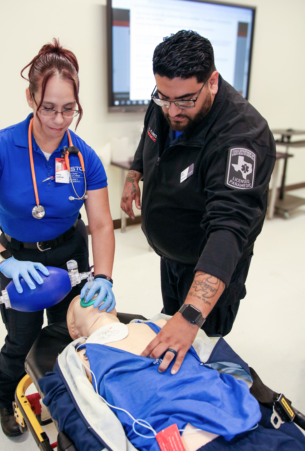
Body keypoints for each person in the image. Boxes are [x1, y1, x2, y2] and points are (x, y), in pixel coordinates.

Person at [0, 39, 115, 437]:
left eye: (69, 109)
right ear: (30, 98)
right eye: (49, 107)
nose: (59, 119)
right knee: (21, 338)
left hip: (70, 254)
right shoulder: (0, 147)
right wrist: (4, 261)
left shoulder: (84, 157)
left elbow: (100, 224)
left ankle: (57, 394)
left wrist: (105, 276)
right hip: (19, 259)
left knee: (67, 332)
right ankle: (3, 397)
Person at [120, 30, 276, 375]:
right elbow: (151, 137)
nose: (172, 110)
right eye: (164, 98)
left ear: (213, 82)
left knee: (205, 347)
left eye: (186, 101)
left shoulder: (242, 138)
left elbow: (229, 228)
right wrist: (134, 174)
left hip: (210, 262)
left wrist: (191, 315)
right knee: (170, 323)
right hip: (171, 253)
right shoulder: (168, 98)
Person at [39, 297, 305, 451]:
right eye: (81, 301)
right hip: (184, 442)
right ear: (74, 329)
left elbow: (213, 354)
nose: (90, 296)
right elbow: (73, 403)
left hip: (239, 421)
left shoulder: (160, 323)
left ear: (114, 307)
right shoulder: (79, 357)